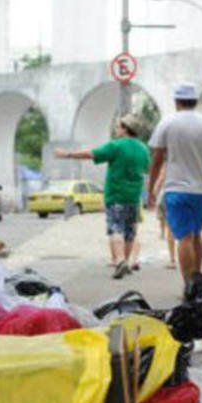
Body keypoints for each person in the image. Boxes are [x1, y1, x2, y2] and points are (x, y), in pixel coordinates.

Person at [147, 83, 202, 299]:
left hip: (177, 189)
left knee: (184, 238)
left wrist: (151, 187)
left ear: (176, 101)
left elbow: (157, 159)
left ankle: (188, 286)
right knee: (197, 235)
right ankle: (196, 284)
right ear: (196, 101)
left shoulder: (167, 123)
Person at [55, 114, 151, 280]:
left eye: (119, 127)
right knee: (130, 232)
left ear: (125, 129)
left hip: (115, 195)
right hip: (134, 197)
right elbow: (147, 170)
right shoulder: (143, 149)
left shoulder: (116, 146)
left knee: (116, 229)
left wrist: (67, 155)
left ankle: (120, 260)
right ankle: (126, 262)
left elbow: (91, 154)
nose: (116, 130)